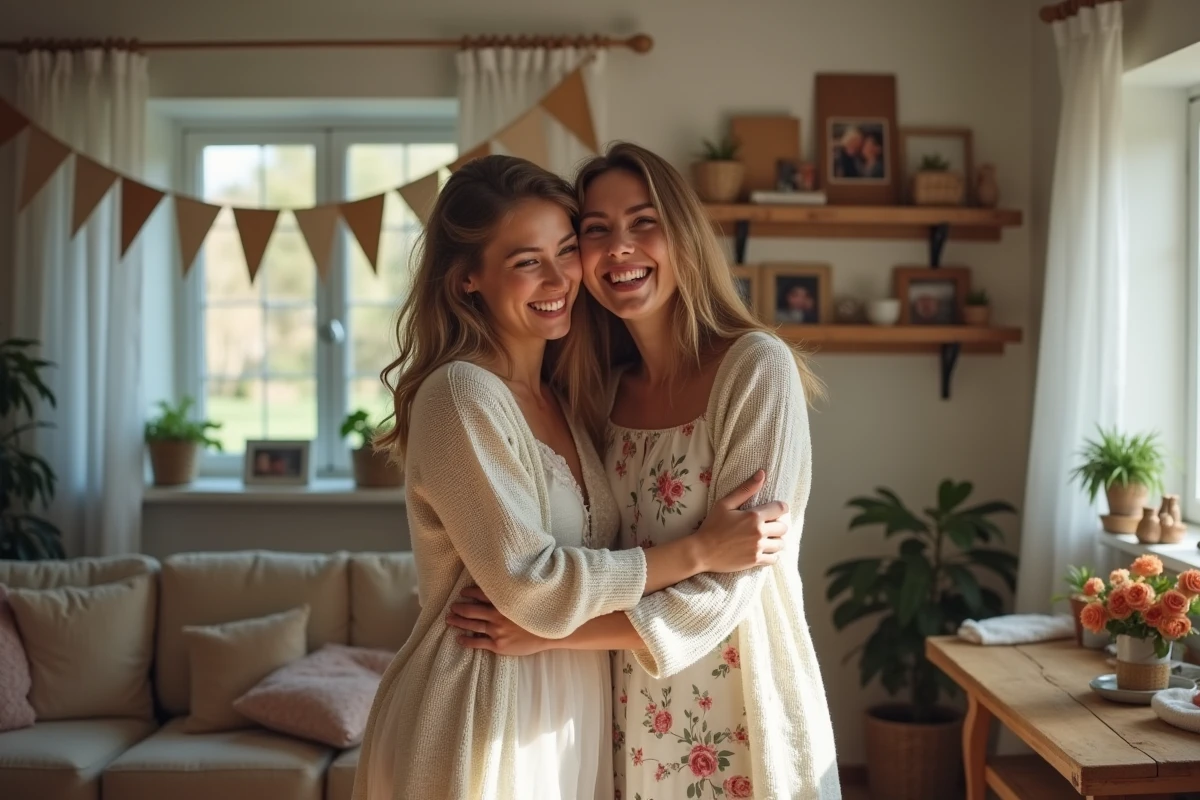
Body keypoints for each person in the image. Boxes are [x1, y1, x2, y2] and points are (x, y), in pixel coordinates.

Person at [351, 155, 792, 800]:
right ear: (467, 279)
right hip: (483, 706)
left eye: (565, 249)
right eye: (526, 261)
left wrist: (565, 634)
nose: (560, 278)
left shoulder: (571, 397)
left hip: (581, 715)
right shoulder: (460, 395)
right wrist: (699, 550)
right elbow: (529, 586)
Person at [449, 143, 841, 799]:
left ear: (683, 235)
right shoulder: (597, 393)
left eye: (643, 222)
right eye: (595, 230)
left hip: (742, 707)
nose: (619, 248)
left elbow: (727, 589)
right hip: (627, 718)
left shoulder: (754, 368)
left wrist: (550, 631)